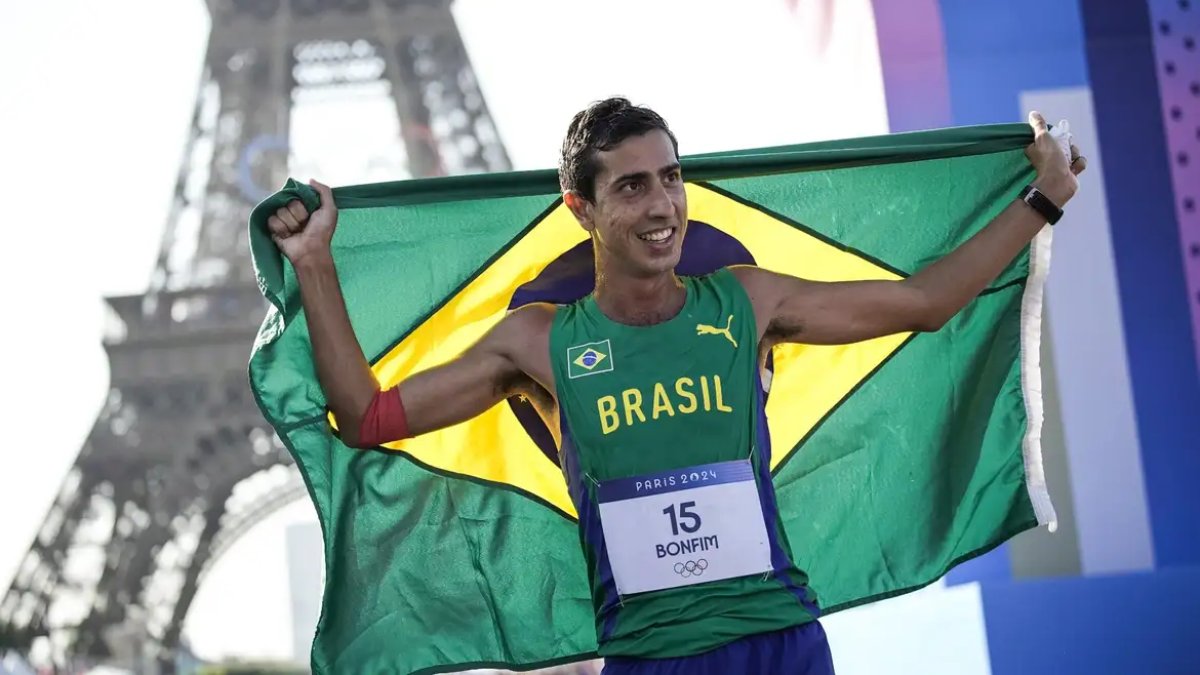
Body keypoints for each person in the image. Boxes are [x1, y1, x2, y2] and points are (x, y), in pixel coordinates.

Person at [266, 98, 1085, 674]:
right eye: (631, 186)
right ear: (580, 207)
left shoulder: (748, 300)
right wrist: (314, 266)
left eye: (670, 176)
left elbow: (928, 302)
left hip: (781, 641)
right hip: (652, 658)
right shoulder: (541, 343)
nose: (663, 204)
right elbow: (367, 415)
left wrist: (1043, 198)